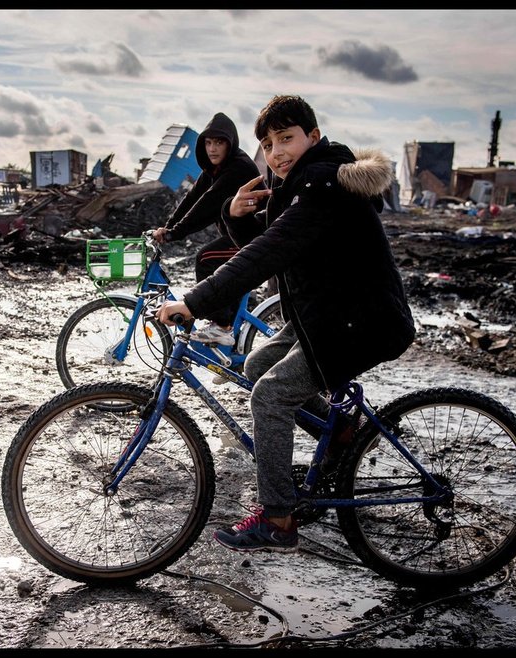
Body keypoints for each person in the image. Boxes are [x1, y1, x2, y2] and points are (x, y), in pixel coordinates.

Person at [156, 95, 416, 552]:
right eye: (269, 143)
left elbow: (267, 255)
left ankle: (278, 519)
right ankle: (339, 430)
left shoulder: (321, 186)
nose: (276, 152)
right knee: (258, 366)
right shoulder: (304, 186)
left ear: (312, 138)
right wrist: (234, 217)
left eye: (286, 138)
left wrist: (194, 302)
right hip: (328, 314)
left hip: (360, 320)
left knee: (271, 396)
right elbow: (280, 249)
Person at [151, 112, 262, 346]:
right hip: (239, 235)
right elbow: (191, 198)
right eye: (208, 142)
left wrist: (174, 234)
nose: (212, 148)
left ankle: (222, 326)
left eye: (219, 142)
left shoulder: (237, 167)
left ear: (230, 144)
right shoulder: (214, 170)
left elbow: (207, 206)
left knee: (206, 258)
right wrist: (168, 227)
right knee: (219, 270)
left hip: (255, 237)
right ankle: (230, 345)